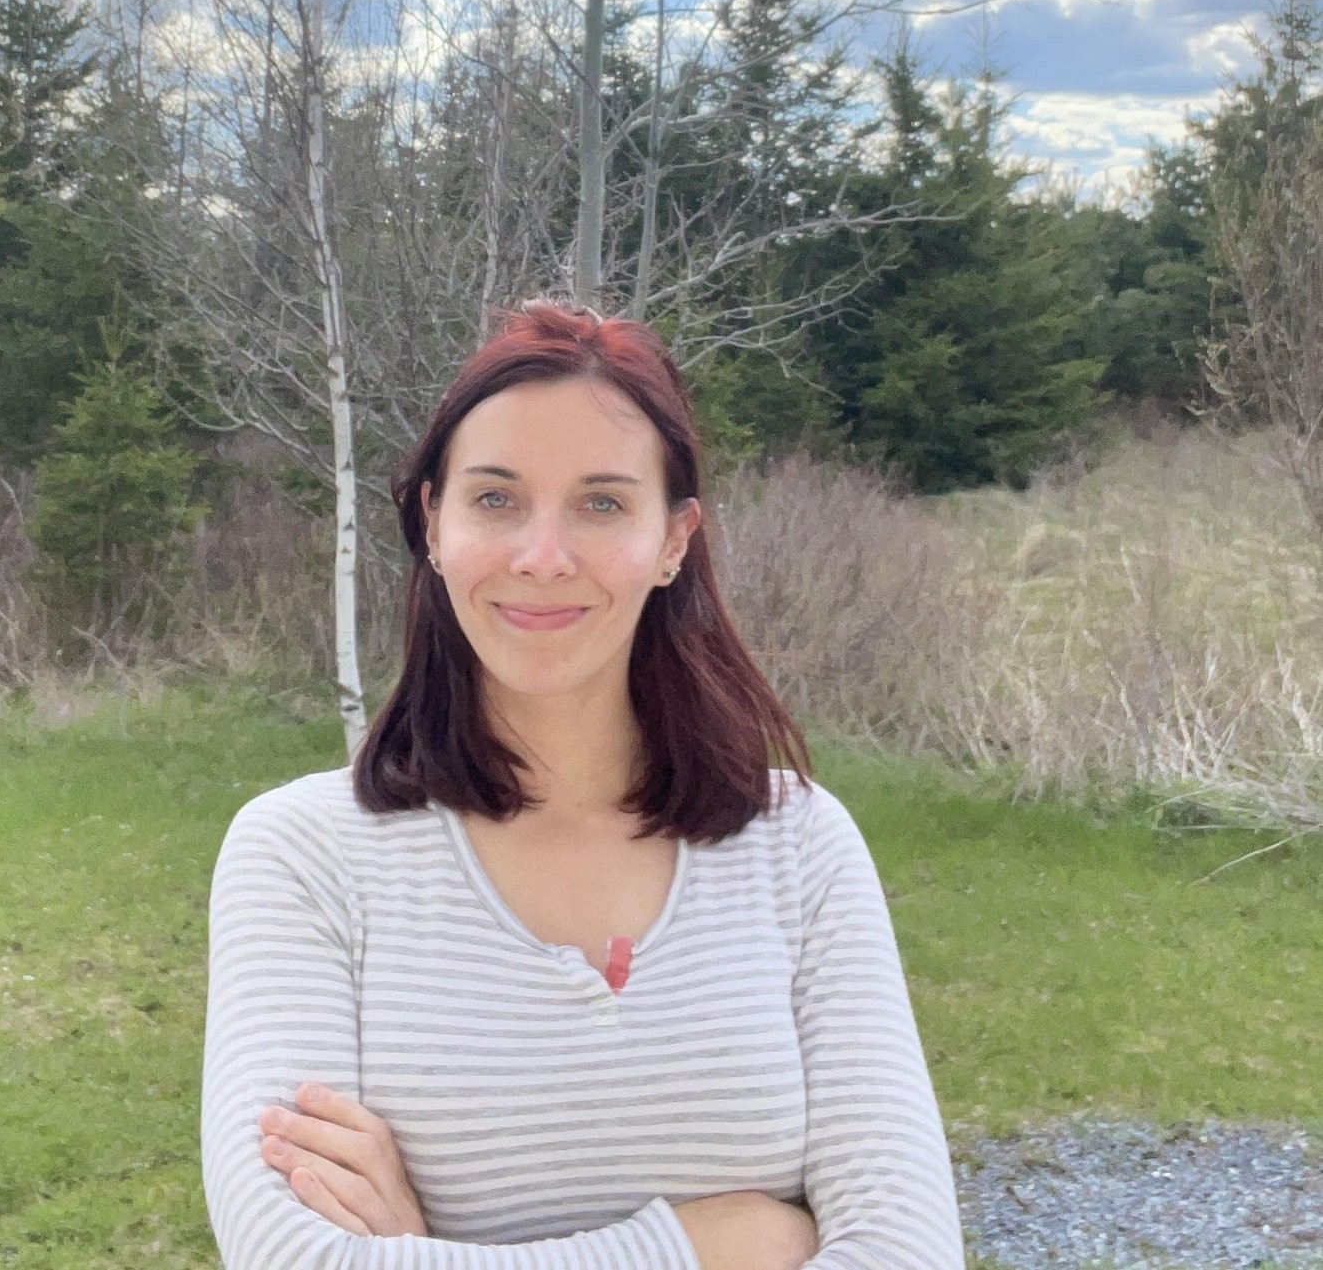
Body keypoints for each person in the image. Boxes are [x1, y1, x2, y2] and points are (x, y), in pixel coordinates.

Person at [200, 302, 965, 1269]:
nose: (543, 556)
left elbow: (909, 1252)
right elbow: (292, 1257)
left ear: (675, 538)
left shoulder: (797, 845)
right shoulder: (303, 854)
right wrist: (716, 1244)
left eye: (602, 504)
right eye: (496, 498)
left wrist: (424, 1254)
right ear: (433, 522)